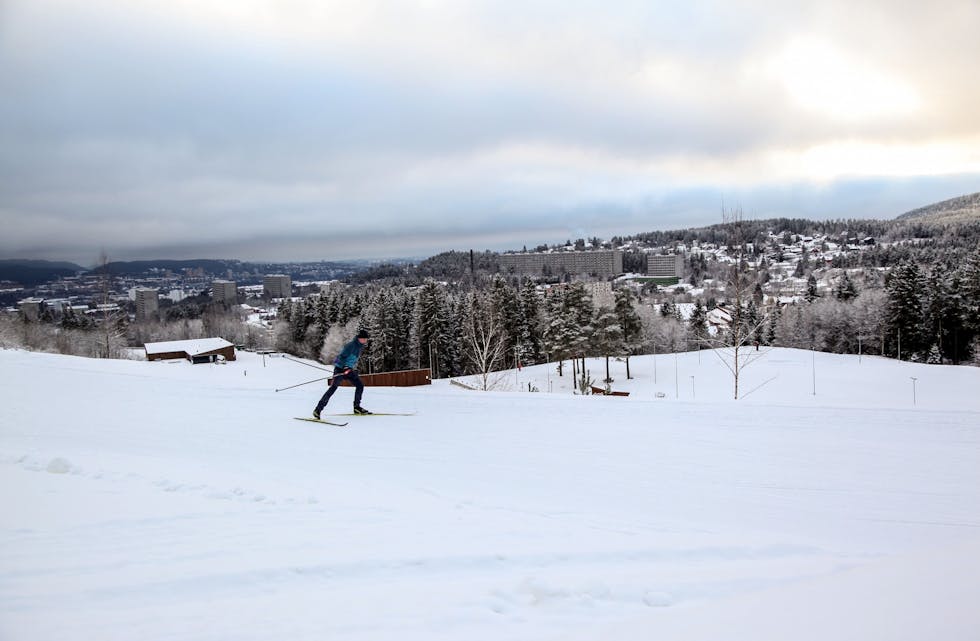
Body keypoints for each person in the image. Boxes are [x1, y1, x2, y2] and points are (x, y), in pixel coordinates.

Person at [313, 329, 371, 418]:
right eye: (363, 339)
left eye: (366, 339)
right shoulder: (351, 345)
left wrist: (349, 368)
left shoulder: (360, 346)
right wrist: (344, 367)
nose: (365, 340)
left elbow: (351, 359)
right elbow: (341, 357)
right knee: (333, 388)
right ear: (359, 338)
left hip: (349, 370)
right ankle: (318, 410)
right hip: (340, 369)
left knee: (360, 385)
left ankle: (357, 407)